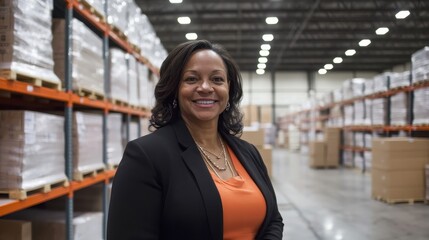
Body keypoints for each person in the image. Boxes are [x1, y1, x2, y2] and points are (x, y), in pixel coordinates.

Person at [107, 40, 284, 239]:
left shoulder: (248, 152)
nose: (206, 87)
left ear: (228, 88)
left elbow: (274, 219)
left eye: (217, 79)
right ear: (174, 88)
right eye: (192, 79)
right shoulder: (146, 156)